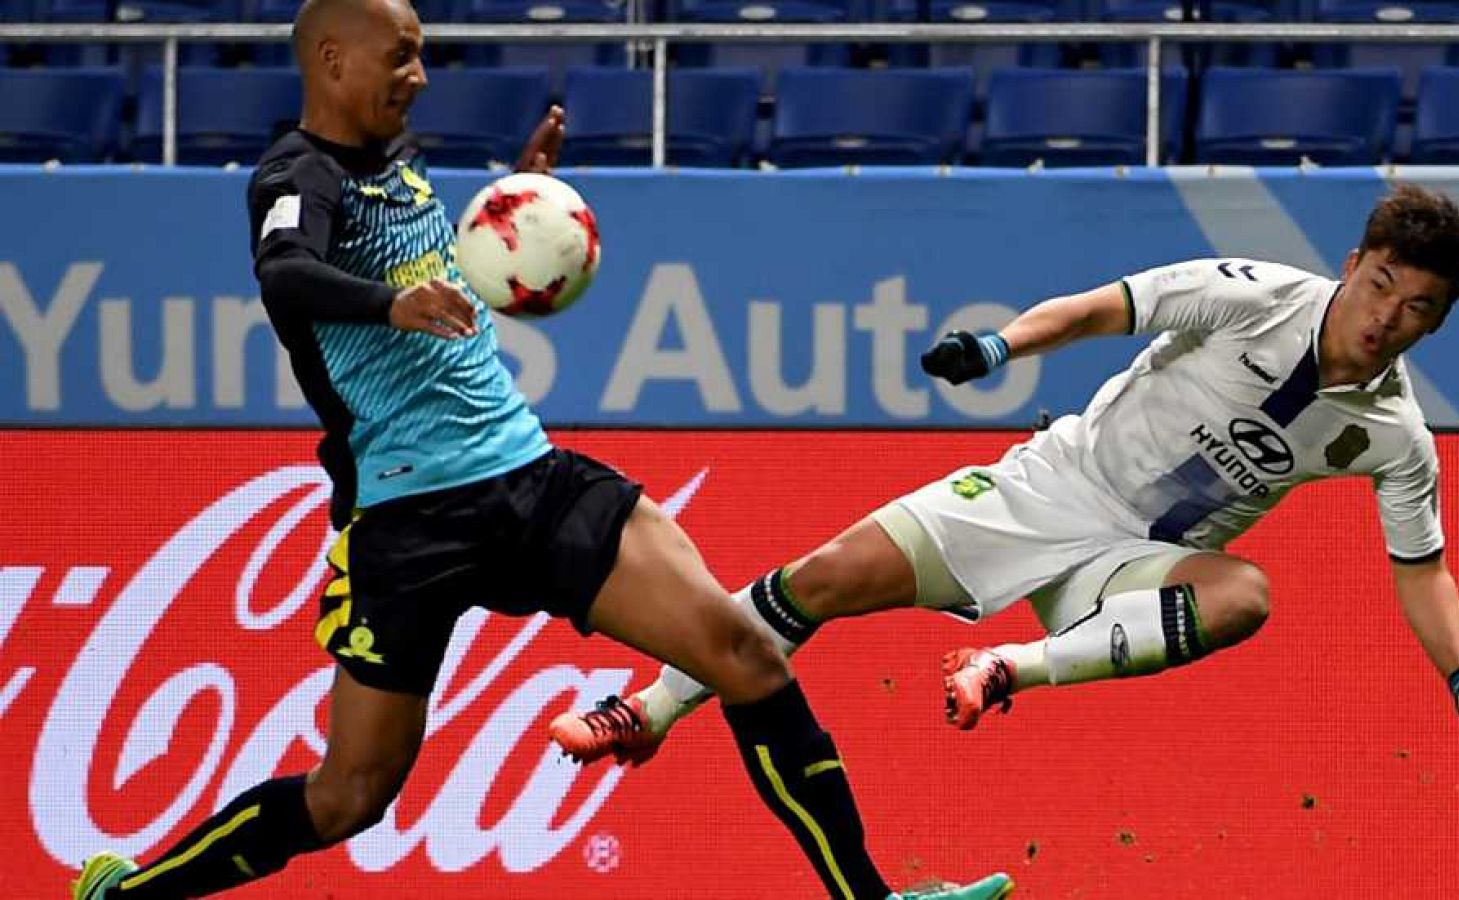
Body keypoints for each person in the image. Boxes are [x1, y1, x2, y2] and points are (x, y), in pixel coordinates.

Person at [67, 1, 1012, 898]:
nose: (420, 75)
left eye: (420, 51)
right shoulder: (294, 176)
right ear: (331, 58)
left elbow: (429, 283)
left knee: (747, 654)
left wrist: (512, 207)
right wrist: (391, 305)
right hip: (407, 519)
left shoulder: (397, 156)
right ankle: (133, 889)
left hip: (528, 476)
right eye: (401, 53)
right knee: (351, 793)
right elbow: (287, 272)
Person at [553, 183, 1459, 771]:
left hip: (1138, 564)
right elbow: (1102, 310)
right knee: (828, 577)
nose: (1386, 316)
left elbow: (1421, 566)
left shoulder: (1395, 436)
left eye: (1418, 307)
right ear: (1354, 265)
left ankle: (1006, 669)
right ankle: (648, 709)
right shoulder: (1251, 296)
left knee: (1244, 594)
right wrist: (998, 344)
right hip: (1049, 487)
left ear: (1436, 323)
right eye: (1381, 284)